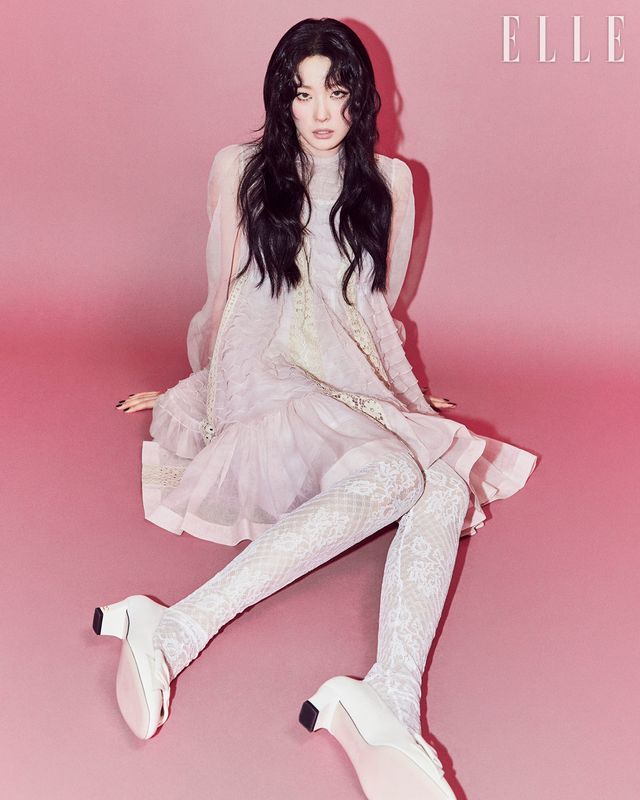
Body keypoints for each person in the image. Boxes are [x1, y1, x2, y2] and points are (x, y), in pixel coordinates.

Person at [94, 17, 537, 800]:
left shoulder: (391, 181)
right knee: (403, 477)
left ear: (360, 96)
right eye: (303, 95)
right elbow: (222, 293)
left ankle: (390, 697)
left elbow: (375, 305)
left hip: (348, 373)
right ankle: (179, 628)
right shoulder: (240, 168)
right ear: (282, 101)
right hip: (263, 369)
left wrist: (404, 398)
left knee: (438, 483)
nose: (322, 111)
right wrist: (199, 385)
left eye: (336, 90)